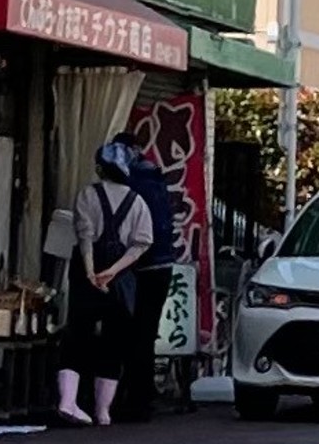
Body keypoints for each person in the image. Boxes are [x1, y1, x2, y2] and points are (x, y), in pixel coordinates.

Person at [57, 142, 153, 427]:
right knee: (115, 342)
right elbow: (142, 244)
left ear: (100, 168)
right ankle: (102, 412)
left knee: (77, 334)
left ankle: (67, 401)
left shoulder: (87, 194)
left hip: (85, 273)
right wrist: (112, 271)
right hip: (120, 277)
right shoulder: (137, 201)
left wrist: (90, 271)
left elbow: (84, 235)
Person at [111, 131, 178, 422]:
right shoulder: (156, 177)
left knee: (129, 333)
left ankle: (131, 400)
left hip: (137, 265)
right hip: (162, 264)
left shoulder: (129, 180)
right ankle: (142, 397)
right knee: (146, 334)